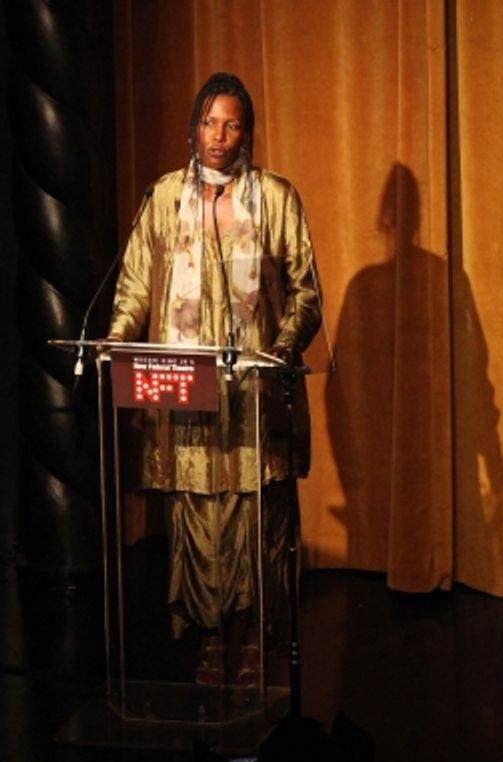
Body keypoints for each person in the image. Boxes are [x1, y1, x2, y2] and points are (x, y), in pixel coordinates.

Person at [107, 72, 322, 686]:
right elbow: (135, 286)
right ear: (193, 128)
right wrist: (118, 337)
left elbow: (306, 292)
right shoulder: (164, 198)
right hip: (186, 393)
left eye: (231, 124)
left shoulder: (274, 198)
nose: (218, 136)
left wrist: (282, 347)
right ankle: (209, 636)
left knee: (255, 518)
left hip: (254, 394)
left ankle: (253, 636)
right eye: (209, 122)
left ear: (247, 132)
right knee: (197, 520)